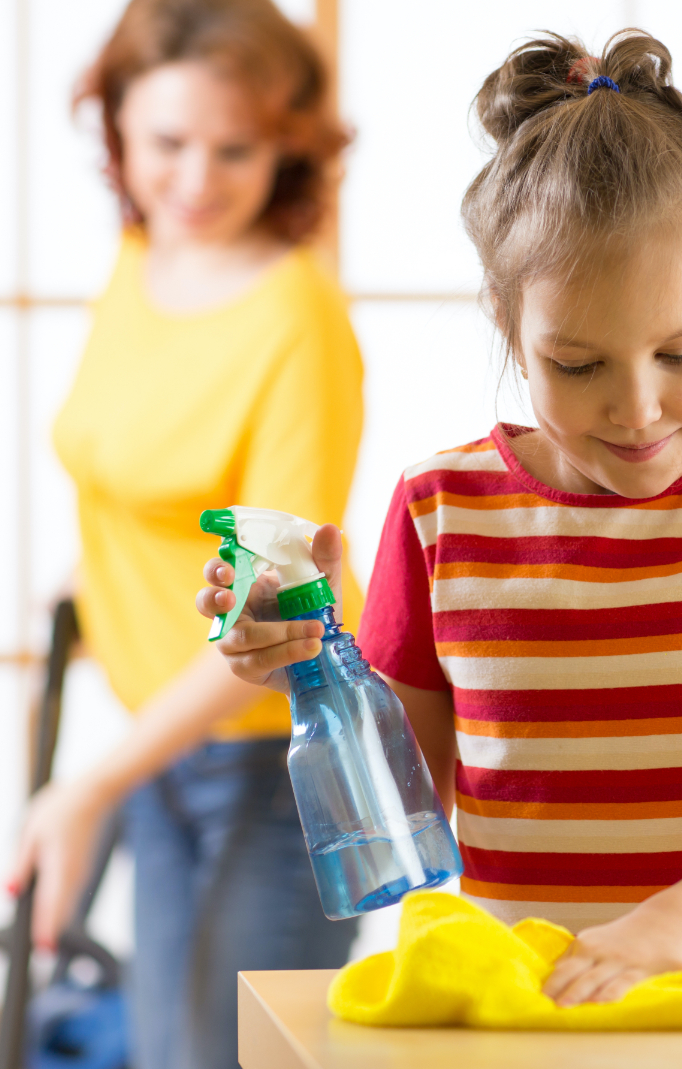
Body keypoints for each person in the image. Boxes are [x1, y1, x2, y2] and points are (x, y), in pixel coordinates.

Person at [197, 30, 682, 1008]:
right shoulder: (439, 511)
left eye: (681, 354)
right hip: (529, 1003)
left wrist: (673, 926)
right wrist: (310, 663)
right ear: (507, 322)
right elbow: (402, 813)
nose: (636, 408)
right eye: (578, 365)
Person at [6, 1, 364, 1066]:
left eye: (235, 148)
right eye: (167, 143)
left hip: (272, 766)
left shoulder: (299, 326)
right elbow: (133, 467)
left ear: (289, 147)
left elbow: (272, 628)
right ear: (115, 127)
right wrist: (98, 576)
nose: (196, 180)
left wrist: (92, 785)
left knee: (217, 1055)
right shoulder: (141, 257)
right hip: (155, 740)